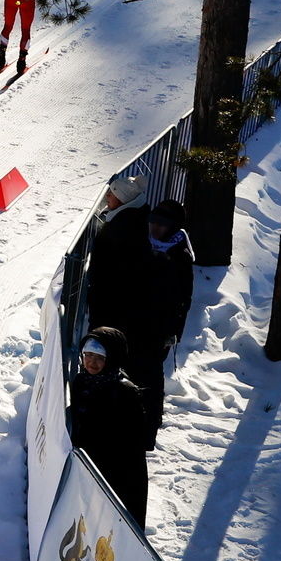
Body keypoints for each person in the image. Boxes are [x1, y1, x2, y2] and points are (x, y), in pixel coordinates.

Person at [128, 198, 195, 447]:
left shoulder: (180, 255)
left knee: (150, 379)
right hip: (133, 322)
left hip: (157, 329)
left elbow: (184, 298)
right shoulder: (142, 244)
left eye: (162, 224)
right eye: (153, 222)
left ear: (173, 227)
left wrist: (173, 331)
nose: (155, 228)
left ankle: (147, 430)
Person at [69, 327, 149, 526]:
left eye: (99, 358)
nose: (91, 362)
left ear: (112, 359)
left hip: (113, 475)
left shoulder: (125, 393)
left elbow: (133, 449)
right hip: (83, 468)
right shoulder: (81, 382)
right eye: (88, 355)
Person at [86, 173, 151, 336]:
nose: (107, 195)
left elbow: (115, 269)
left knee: (103, 339)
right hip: (112, 299)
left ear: (123, 200)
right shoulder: (128, 219)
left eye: (112, 193)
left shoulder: (124, 228)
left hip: (111, 302)